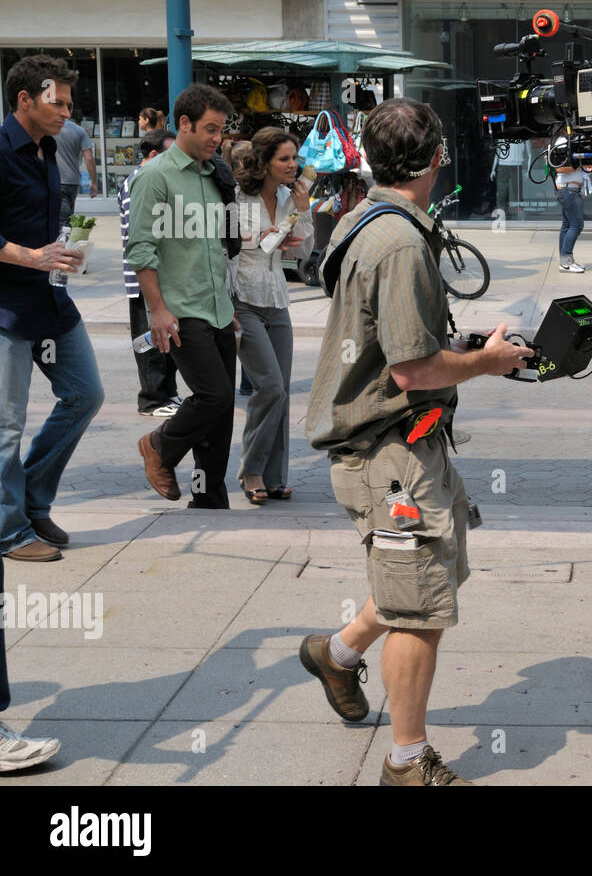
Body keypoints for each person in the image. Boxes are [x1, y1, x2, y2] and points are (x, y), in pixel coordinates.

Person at [302, 98, 531, 786]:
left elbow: (397, 342)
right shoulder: (399, 241)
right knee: (420, 607)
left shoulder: (368, 218)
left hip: (401, 442)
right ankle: (406, 760)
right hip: (388, 452)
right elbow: (411, 370)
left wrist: (465, 343)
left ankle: (335, 653)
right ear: (436, 160)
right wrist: (487, 362)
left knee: (422, 579)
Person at [0, 54, 107, 772]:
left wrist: (61, 254)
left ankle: (34, 500)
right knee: (4, 427)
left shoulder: (50, 149)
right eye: (59, 102)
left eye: (69, 102)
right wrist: (31, 257)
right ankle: (11, 528)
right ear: (24, 99)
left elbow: (49, 224)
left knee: (87, 393)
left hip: (50, 300)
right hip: (7, 306)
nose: (68, 111)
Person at [127, 82, 238, 510]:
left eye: (221, 131)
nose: (216, 138)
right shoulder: (154, 177)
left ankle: (208, 495)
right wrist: (156, 309)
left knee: (221, 412)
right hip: (178, 309)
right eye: (210, 129)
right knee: (215, 396)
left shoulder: (216, 176)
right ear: (185, 123)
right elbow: (140, 248)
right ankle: (158, 445)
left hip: (217, 307)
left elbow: (217, 246)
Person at [229, 127, 313, 504]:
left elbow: (305, 253)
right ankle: (251, 470)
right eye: (285, 159)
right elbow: (224, 249)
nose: (293, 165)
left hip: (277, 299)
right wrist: (264, 234)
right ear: (264, 163)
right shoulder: (235, 198)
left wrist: (303, 213)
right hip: (242, 299)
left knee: (280, 391)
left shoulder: (289, 197)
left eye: (294, 158)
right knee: (270, 388)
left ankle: (275, 477)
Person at [119, 127, 181, 418]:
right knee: (149, 343)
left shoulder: (159, 179)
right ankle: (152, 399)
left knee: (165, 339)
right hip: (143, 279)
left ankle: (168, 393)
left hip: (162, 277)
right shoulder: (138, 182)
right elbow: (142, 237)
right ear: (154, 155)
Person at [53, 107, 97, 227]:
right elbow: (89, 159)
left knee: (62, 223)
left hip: (55, 181)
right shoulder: (79, 131)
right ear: (71, 111)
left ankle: (63, 243)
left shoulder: (49, 129)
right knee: (67, 218)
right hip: (73, 181)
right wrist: (94, 182)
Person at [554, 145, 587, 273]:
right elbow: (559, 168)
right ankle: (566, 262)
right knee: (577, 225)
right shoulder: (563, 142)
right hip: (569, 190)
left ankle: (565, 260)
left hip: (569, 190)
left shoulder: (567, 141)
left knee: (567, 225)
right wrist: (581, 164)